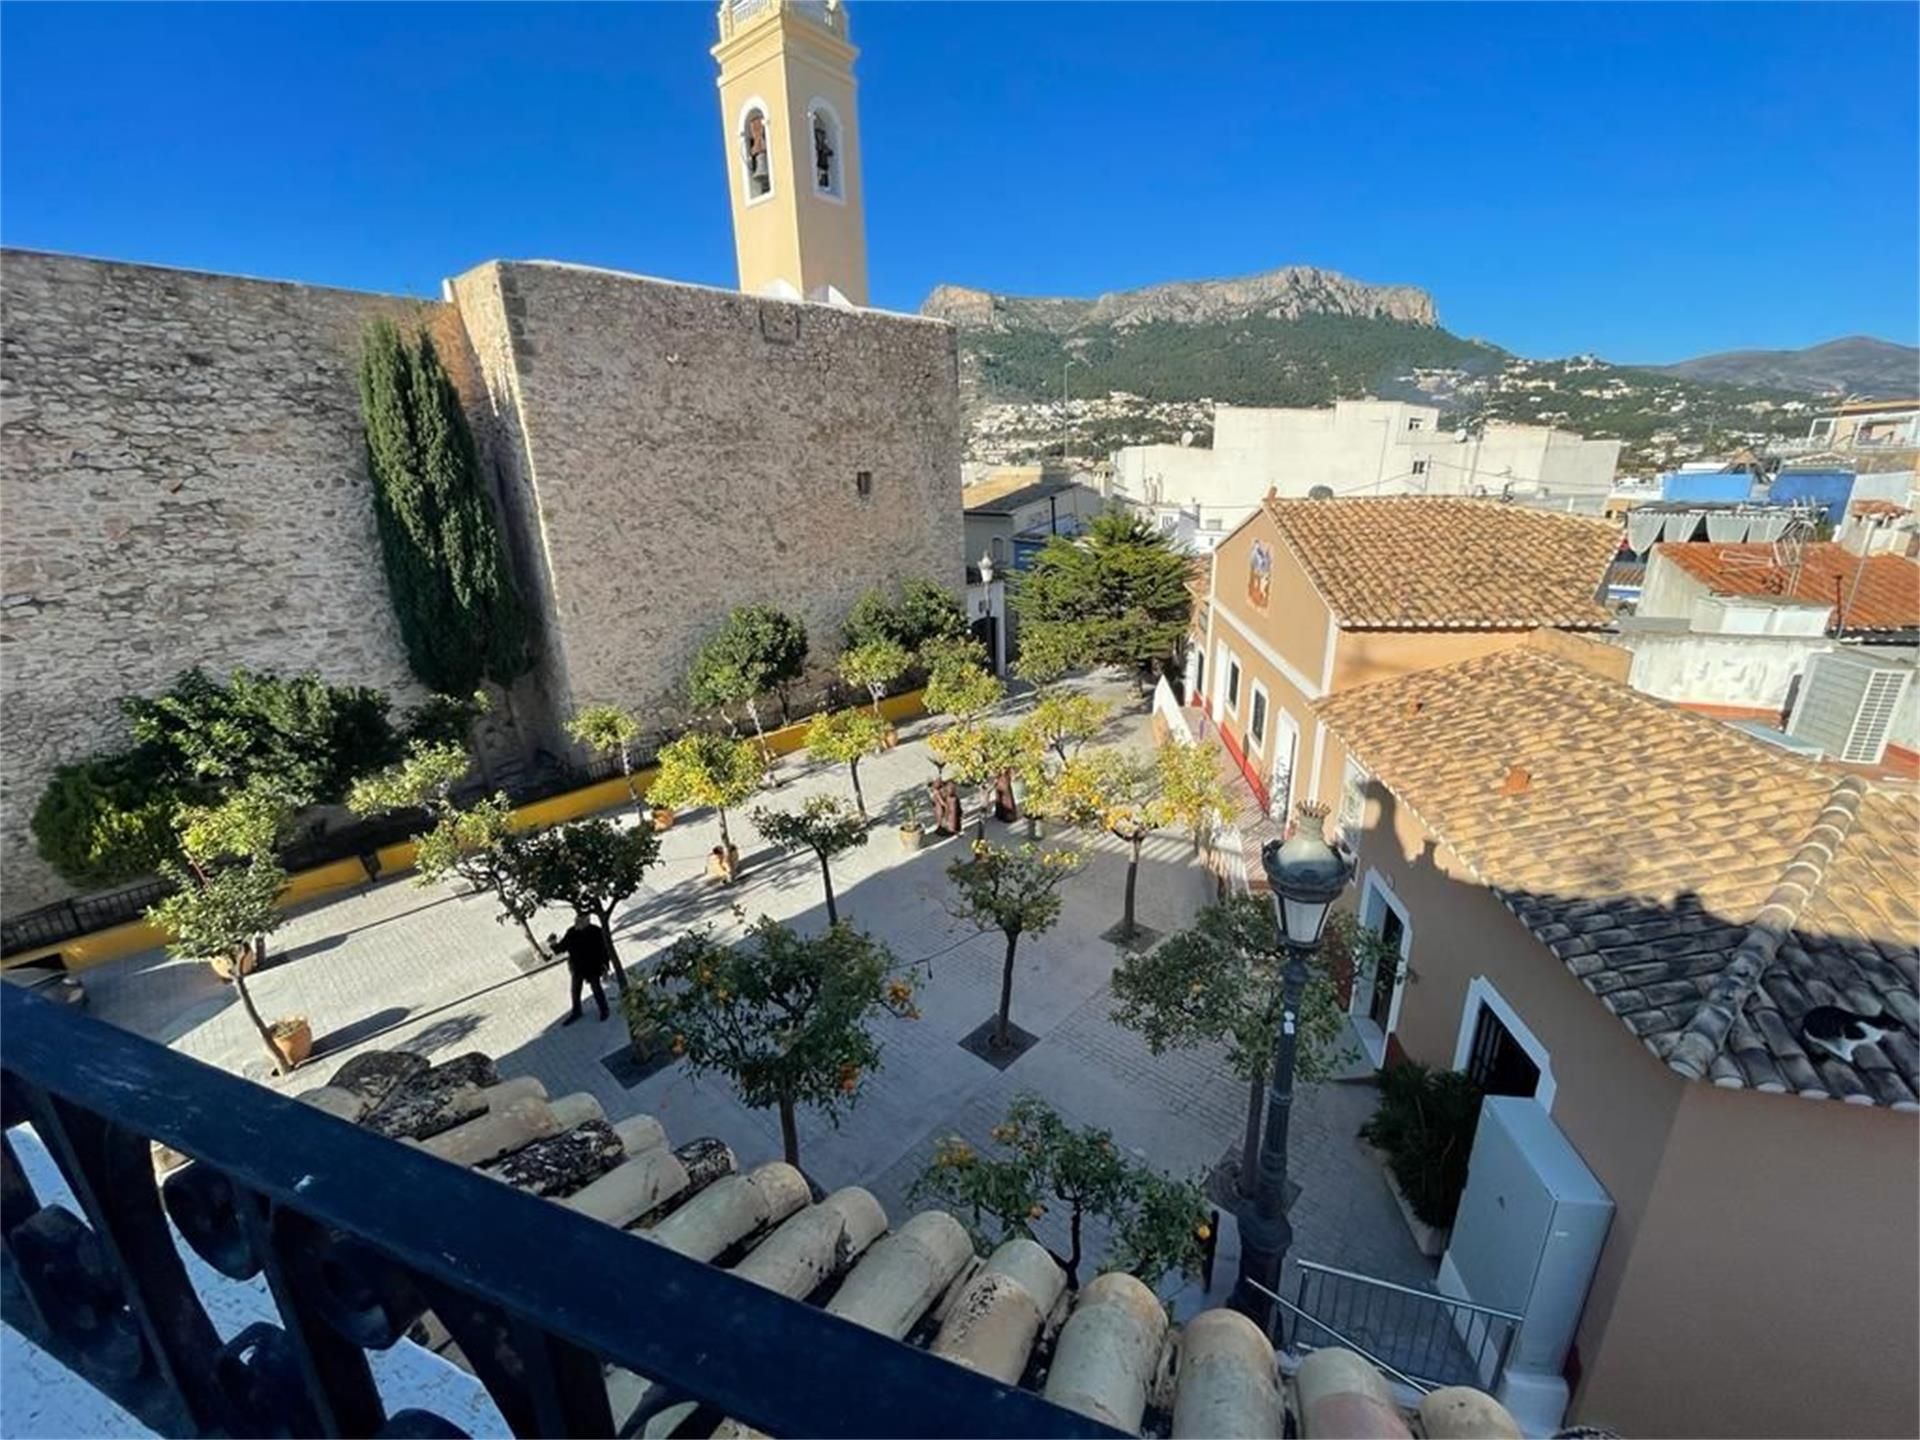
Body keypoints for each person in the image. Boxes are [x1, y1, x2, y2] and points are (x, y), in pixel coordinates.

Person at [551, 912, 612, 1026]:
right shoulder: (571, 932)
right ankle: (577, 1011)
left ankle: (604, 1010)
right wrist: (553, 944)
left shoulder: (596, 932)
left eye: (579, 921)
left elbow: (604, 951)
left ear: (587, 922)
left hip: (592, 967)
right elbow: (561, 948)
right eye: (576, 921)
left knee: (596, 989)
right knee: (575, 991)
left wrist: (605, 967)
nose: (576, 923)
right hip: (577, 968)